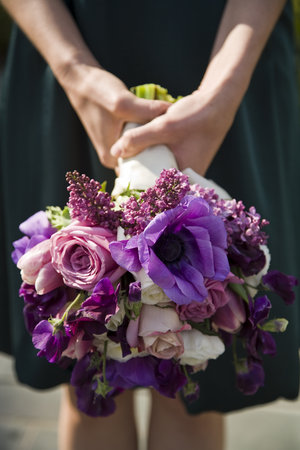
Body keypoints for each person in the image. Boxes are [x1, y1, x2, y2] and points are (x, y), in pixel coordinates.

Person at [0, 1, 299, 449]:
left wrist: (225, 90)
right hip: (65, 38)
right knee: (88, 377)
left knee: (194, 385)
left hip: (231, 45)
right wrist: (74, 70)